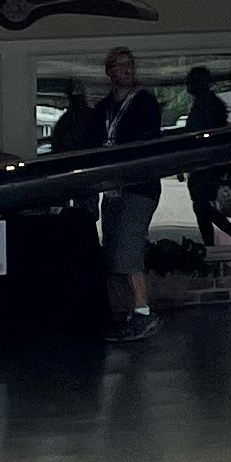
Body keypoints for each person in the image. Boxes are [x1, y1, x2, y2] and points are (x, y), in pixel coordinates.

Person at [83, 44, 166, 343]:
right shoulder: (103, 108)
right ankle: (129, 314)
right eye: (119, 65)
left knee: (128, 249)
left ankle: (143, 312)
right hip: (112, 190)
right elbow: (92, 144)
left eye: (130, 64)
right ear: (109, 72)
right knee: (114, 250)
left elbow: (145, 142)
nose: (127, 69)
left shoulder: (145, 103)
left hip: (138, 187)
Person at [180, 64, 231, 245]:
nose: (188, 87)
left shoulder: (208, 105)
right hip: (206, 164)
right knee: (202, 208)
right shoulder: (208, 104)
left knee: (202, 207)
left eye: (191, 82)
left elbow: (200, 134)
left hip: (208, 165)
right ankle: (212, 243)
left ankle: (216, 242)